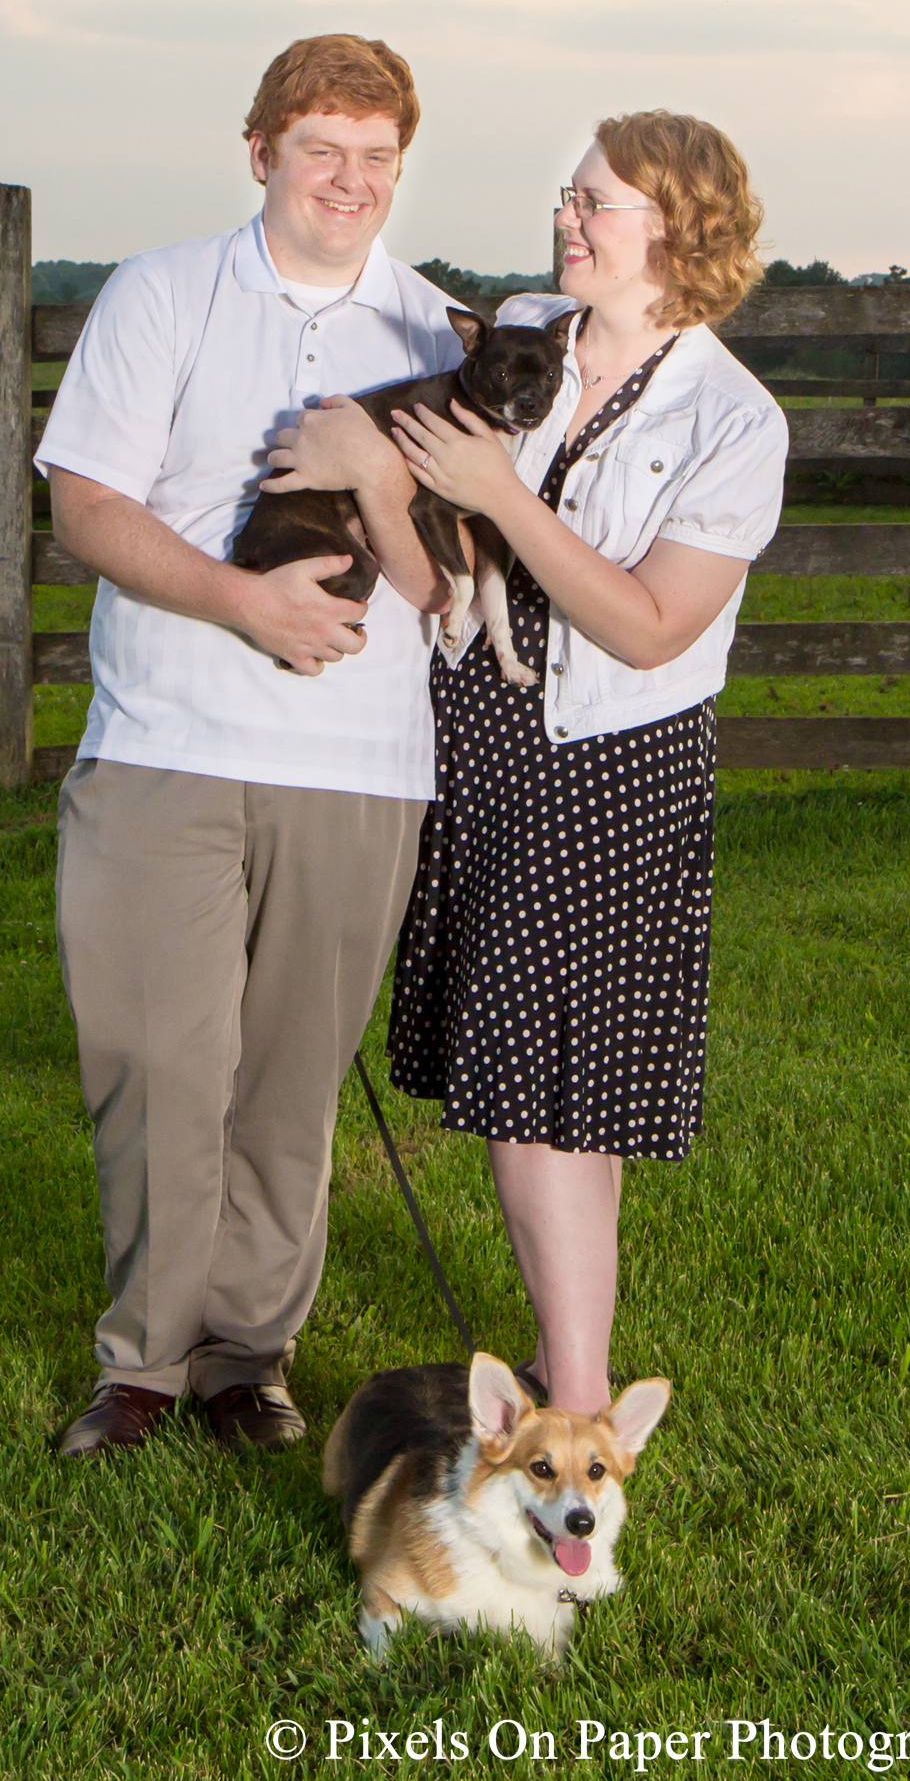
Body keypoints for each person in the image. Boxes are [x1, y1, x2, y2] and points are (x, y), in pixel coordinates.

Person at [37, 35, 466, 1455]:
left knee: (290, 1076)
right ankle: (143, 1362)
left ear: (402, 168)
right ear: (261, 149)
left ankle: (249, 1354)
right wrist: (241, 600)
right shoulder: (164, 293)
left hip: (359, 764)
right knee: (159, 1057)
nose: (349, 181)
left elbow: (461, 576)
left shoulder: (438, 335)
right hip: (166, 735)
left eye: (376, 158)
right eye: (320, 149)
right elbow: (86, 505)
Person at [384, 110, 788, 1415]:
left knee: (547, 1080)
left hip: (612, 760)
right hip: (489, 733)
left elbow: (653, 621)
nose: (568, 218)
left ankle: (574, 1394)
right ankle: (577, 1372)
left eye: (597, 202)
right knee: (551, 1082)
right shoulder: (522, 326)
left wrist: (504, 494)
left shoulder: (734, 418)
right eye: (569, 194)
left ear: (679, 228)